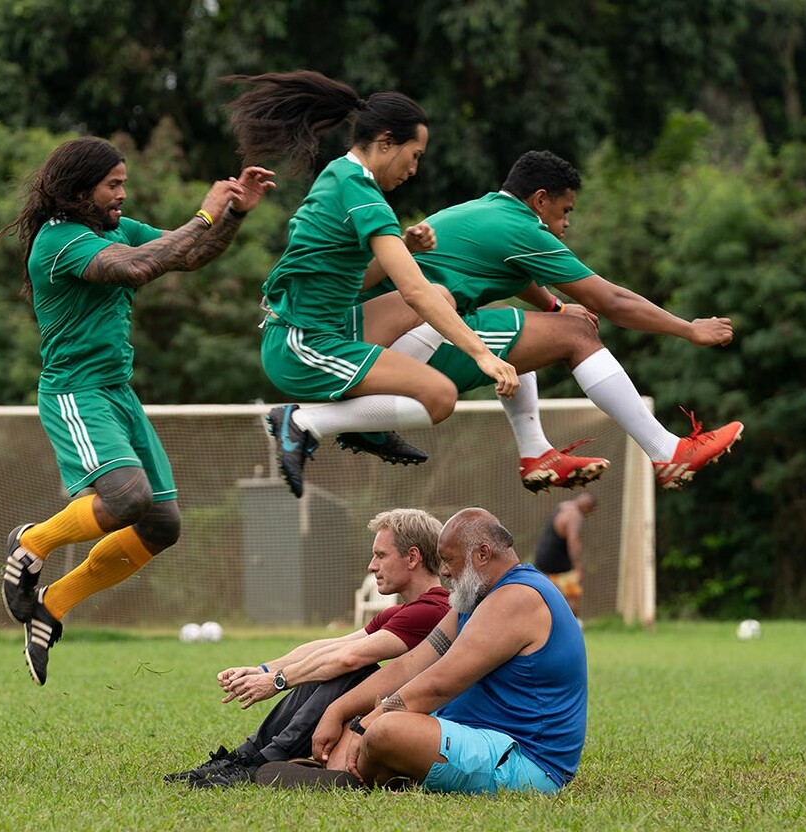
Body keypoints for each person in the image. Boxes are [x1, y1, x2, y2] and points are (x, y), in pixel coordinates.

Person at [0, 137, 276, 685]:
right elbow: (139, 268)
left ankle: (54, 604)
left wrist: (234, 214)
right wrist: (204, 213)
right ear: (80, 191)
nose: (123, 194)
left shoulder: (114, 229)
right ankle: (31, 542)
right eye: (114, 185)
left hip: (117, 394)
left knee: (162, 524)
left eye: (123, 183)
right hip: (76, 392)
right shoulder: (60, 241)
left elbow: (188, 254)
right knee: (128, 499)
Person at [224, 70, 520, 498]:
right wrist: (482, 355)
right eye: (414, 156)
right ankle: (303, 422)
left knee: (442, 295)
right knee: (439, 397)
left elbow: (354, 280)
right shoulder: (361, 193)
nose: (414, 169)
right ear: (385, 142)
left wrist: (405, 247)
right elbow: (414, 292)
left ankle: (368, 423)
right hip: (301, 345)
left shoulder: (341, 174)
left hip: (322, 327)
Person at [377, 150, 744, 491]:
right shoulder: (521, 228)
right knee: (576, 333)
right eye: (565, 210)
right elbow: (611, 301)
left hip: (391, 336)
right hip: (399, 346)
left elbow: (514, 274)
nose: (566, 223)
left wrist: (556, 307)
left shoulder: (485, 211)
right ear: (540, 200)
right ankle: (667, 451)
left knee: (529, 332)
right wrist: (688, 329)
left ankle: (536, 452)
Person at [258, 507, 587, 794]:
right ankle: (373, 771)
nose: (443, 572)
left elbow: (439, 683)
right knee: (369, 713)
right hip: (476, 737)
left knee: (385, 729)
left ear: (483, 554)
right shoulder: (475, 600)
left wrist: (365, 725)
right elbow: (409, 666)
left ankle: (362, 778)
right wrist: (338, 710)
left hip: (527, 763)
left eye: (449, 560)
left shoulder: (517, 598)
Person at [165, 508, 451, 788]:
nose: (372, 565)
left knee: (349, 670)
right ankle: (245, 757)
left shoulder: (431, 609)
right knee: (327, 666)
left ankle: (262, 761)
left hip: (422, 728)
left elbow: (349, 658)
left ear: (412, 557)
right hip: (396, 715)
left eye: (381, 555)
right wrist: (265, 670)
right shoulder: (404, 611)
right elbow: (335, 645)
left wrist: (278, 681)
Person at [534, 492, 596, 617]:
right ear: (588, 508)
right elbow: (573, 542)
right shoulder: (575, 516)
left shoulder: (563, 506)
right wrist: (578, 567)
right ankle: (575, 623)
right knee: (572, 595)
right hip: (557, 561)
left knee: (547, 596)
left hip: (541, 557)